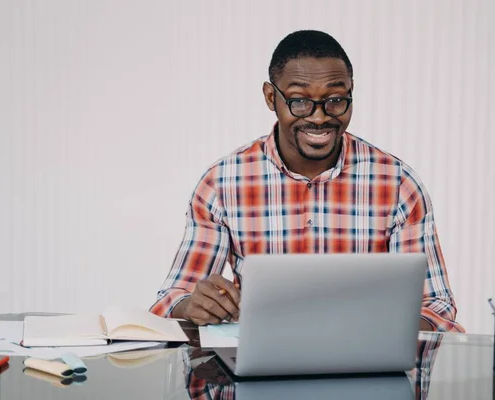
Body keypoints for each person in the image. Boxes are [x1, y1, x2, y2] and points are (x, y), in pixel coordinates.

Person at [150, 30, 464, 333]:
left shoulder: (398, 185)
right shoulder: (222, 184)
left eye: (336, 99)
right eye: (300, 101)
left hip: (364, 373)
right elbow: (172, 298)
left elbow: (436, 309)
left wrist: (375, 332)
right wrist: (193, 304)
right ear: (271, 97)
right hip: (259, 373)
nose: (318, 117)